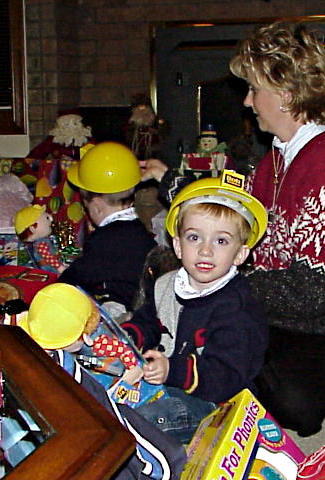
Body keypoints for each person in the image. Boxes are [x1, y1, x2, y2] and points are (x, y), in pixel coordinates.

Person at [140, 21, 325, 437]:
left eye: (254, 89)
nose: (247, 101)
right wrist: (171, 182)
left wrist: (224, 283)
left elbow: (313, 294)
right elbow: (231, 213)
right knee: (178, 283)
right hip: (279, 313)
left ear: (286, 94)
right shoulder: (277, 157)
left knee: (287, 398)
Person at [121, 169, 269, 444]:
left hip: (216, 401)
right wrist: (128, 337)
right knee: (106, 390)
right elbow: (149, 321)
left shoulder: (237, 310)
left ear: (240, 254)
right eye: (194, 237)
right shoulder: (166, 284)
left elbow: (226, 375)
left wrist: (171, 370)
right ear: (177, 246)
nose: (205, 250)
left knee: (144, 420)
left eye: (221, 241)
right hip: (165, 377)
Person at [16, 282, 187, 480]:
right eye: (88, 332)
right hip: (112, 453)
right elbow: (119, 423)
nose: (91, 338)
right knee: (175, 409)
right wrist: (169, 469)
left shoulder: (23, 349)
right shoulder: (74, 382)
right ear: (82, 337)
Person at [59, 142, 157, 316]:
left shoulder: (102, 240)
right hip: (144, 305)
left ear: (97, 207)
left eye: (86, 206)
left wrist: (59, 283)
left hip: (124, 312)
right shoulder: (140, 230)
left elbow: (79, 275)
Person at [14, 204, 66, 273]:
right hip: (52, 269)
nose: (51, 219)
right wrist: (60, 267)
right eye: (47, 218)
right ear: (32, 229)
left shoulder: (43, 240)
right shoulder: (41, 244)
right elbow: (49, 258)